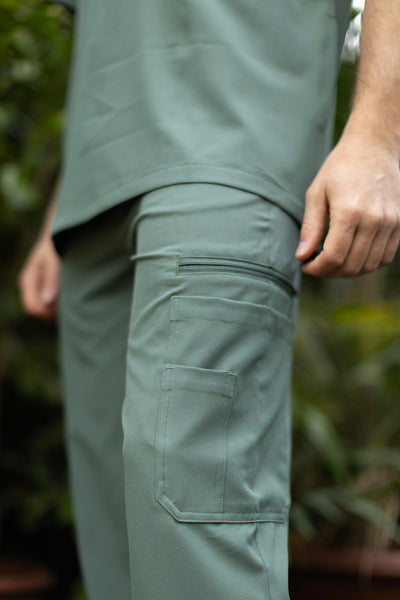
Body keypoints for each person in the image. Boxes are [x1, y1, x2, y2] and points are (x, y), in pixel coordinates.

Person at [18, 1, 400, 599]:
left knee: (192, 533)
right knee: (117, 549)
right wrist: (58, 213)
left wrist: (379, 133)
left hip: (230, 144)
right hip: (94, 201)